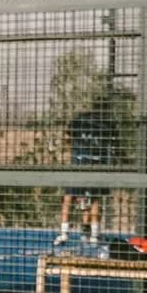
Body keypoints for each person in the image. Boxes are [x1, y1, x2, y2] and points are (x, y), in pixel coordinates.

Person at [56, 94, 118, 246]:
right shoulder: (108, 123)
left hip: (80, 164)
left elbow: (67, 137)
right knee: (94, 199)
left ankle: (65, 234)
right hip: (96, 165)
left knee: (70, 197)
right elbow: (114, 146)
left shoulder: (81, 119)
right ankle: (94, 236)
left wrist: (74, 148)